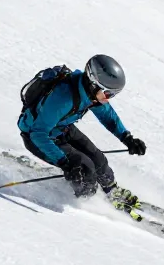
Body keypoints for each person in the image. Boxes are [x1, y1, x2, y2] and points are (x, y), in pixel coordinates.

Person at [17, 54, 147, 207]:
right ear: (94, 84)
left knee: (98, 159)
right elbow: (38, 134)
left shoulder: (89, 93)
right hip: (38, 138)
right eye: (108, 93)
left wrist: (127, 138)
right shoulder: (63, 98)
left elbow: (107, 116)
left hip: (61, 129)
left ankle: (111, 190)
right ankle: (87, 200)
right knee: (86, 169)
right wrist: (65, 164)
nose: (108, 98)